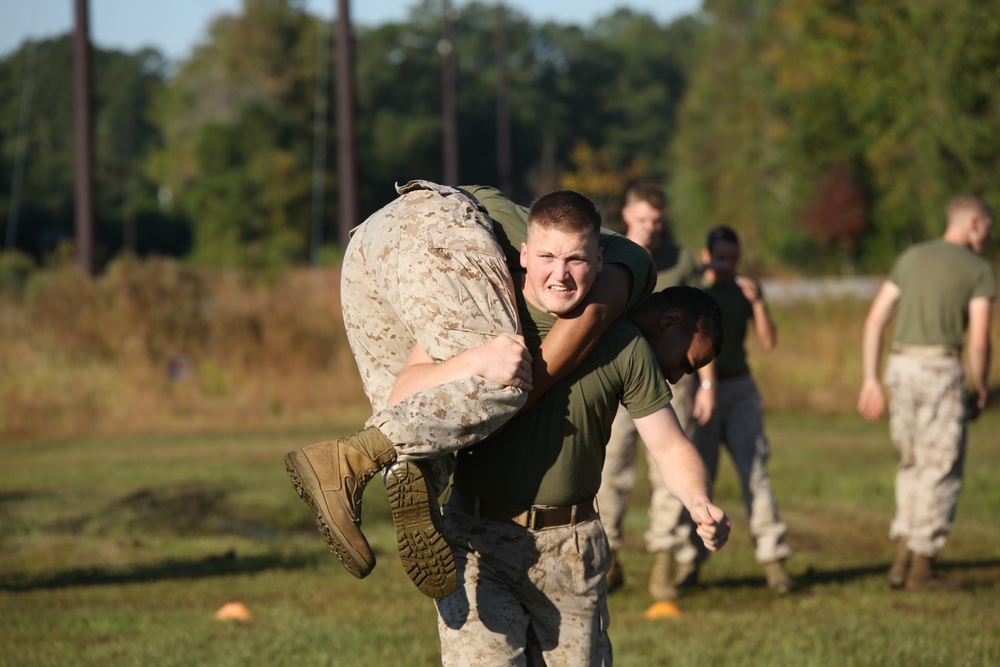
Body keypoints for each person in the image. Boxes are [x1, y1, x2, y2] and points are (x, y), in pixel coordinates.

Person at [284, 180, 657, 599]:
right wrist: (514, 393)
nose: (675, 376)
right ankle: (346, 460)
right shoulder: (629, 264)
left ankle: (416, 476)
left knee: (410, 407)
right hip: (438, 228)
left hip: (370, 244)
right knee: (504, 379)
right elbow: (588, 319)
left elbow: (409, 396)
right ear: (669, 320)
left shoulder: (521, 238)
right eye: (685, 361)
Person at [433, 192, 730, 665]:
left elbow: (670, 444)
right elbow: (407, 388)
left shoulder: (625, 345)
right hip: (476, 541)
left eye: (576, 259)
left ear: (599, 260)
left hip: (570, 549)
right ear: (526, 255)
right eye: (548, 257)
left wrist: (699, 501)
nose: (561, 273)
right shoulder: (483, 318)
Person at [858, 194, 994, 591]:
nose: (988, 234)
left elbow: (875, 320)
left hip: (899, 368)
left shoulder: (911, 257)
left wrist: (870, 378)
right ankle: (922, 568)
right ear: (973, 225)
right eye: (987, 227)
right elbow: (981, 341)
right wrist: (981, 386)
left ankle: (902, 556)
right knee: (941, 467)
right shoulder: (979, 269)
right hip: (940, 369)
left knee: (913, 463)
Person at [595, 182, 708, 603]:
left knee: (669, 470)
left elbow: (701, 328)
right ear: (627, 216)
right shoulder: (609, 254)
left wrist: (706, 384)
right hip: (618, 372)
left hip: (670, 378)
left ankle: (664, 559)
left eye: (657, 221)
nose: (650, 227)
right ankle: (608, 558)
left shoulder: (679, 260)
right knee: (611, 468)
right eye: (643, 219)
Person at [680, 225, 794, 594]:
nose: (726, 264)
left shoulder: (743, 293)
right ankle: (690, 563)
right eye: (719, 257)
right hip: (702, 392)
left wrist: (758, 301)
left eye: (732, 258)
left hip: (740, 390)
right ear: (705, 255)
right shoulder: (698, 292)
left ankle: (774, 561)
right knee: (697, 480)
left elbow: (769, 340)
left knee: (755, 472)